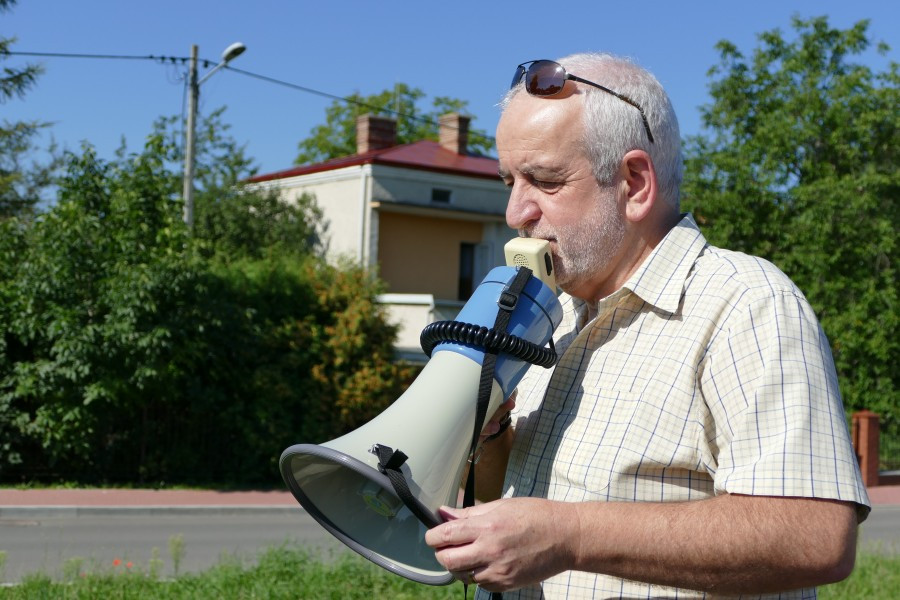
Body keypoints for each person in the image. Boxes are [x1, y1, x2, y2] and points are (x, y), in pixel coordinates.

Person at [424, 53, 870, 599]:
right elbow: (509, 503)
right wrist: (492, 439)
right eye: (509, 181)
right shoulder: (550, 318)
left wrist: (570, 535)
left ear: (634, 183)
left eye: (544, 180)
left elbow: (816, 536)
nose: (516, 212)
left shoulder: (747, 302)